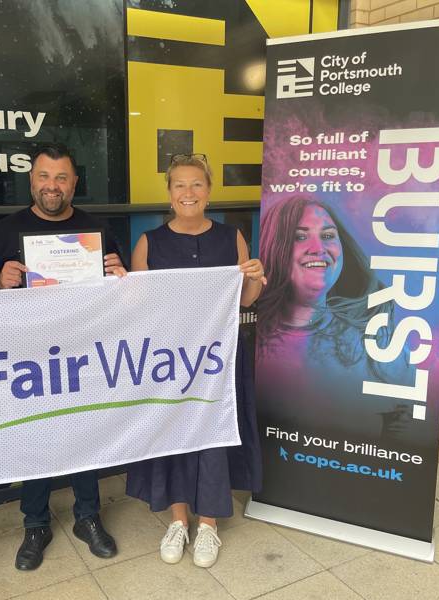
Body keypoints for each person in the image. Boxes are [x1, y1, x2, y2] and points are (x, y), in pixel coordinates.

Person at [0, 143, 126, 571]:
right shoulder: (4, 229)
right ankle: (35, 524)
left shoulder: (96, 230)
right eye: (44, 176)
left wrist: (120, 276)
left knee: (84, 435)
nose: (52, 186)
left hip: (82, 353)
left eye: (61, 178)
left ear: (74, 183)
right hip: (28, 359)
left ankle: (87, 517)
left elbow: (122, 294)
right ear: (31, 180)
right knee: (35, 438)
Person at [125, 153, 265, 568]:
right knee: (177, 435)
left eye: (197, 185)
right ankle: (178, 520)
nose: (189, 192)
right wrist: (121, 286)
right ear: (169, 194)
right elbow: (137, 307)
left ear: (209, 192)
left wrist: (255, 278)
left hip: (220, 358)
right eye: (180, 185)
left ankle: (208, 526)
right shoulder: (150, 242)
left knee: (215, 435)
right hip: (170, 361)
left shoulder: (231, 237)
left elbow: (243, 300)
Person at [254, 196, 412, 441]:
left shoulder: (377, 340)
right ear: (275, 247)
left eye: (328, 236)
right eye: (300, 236)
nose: (318, 248)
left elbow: (405, 430)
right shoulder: (249, 340)